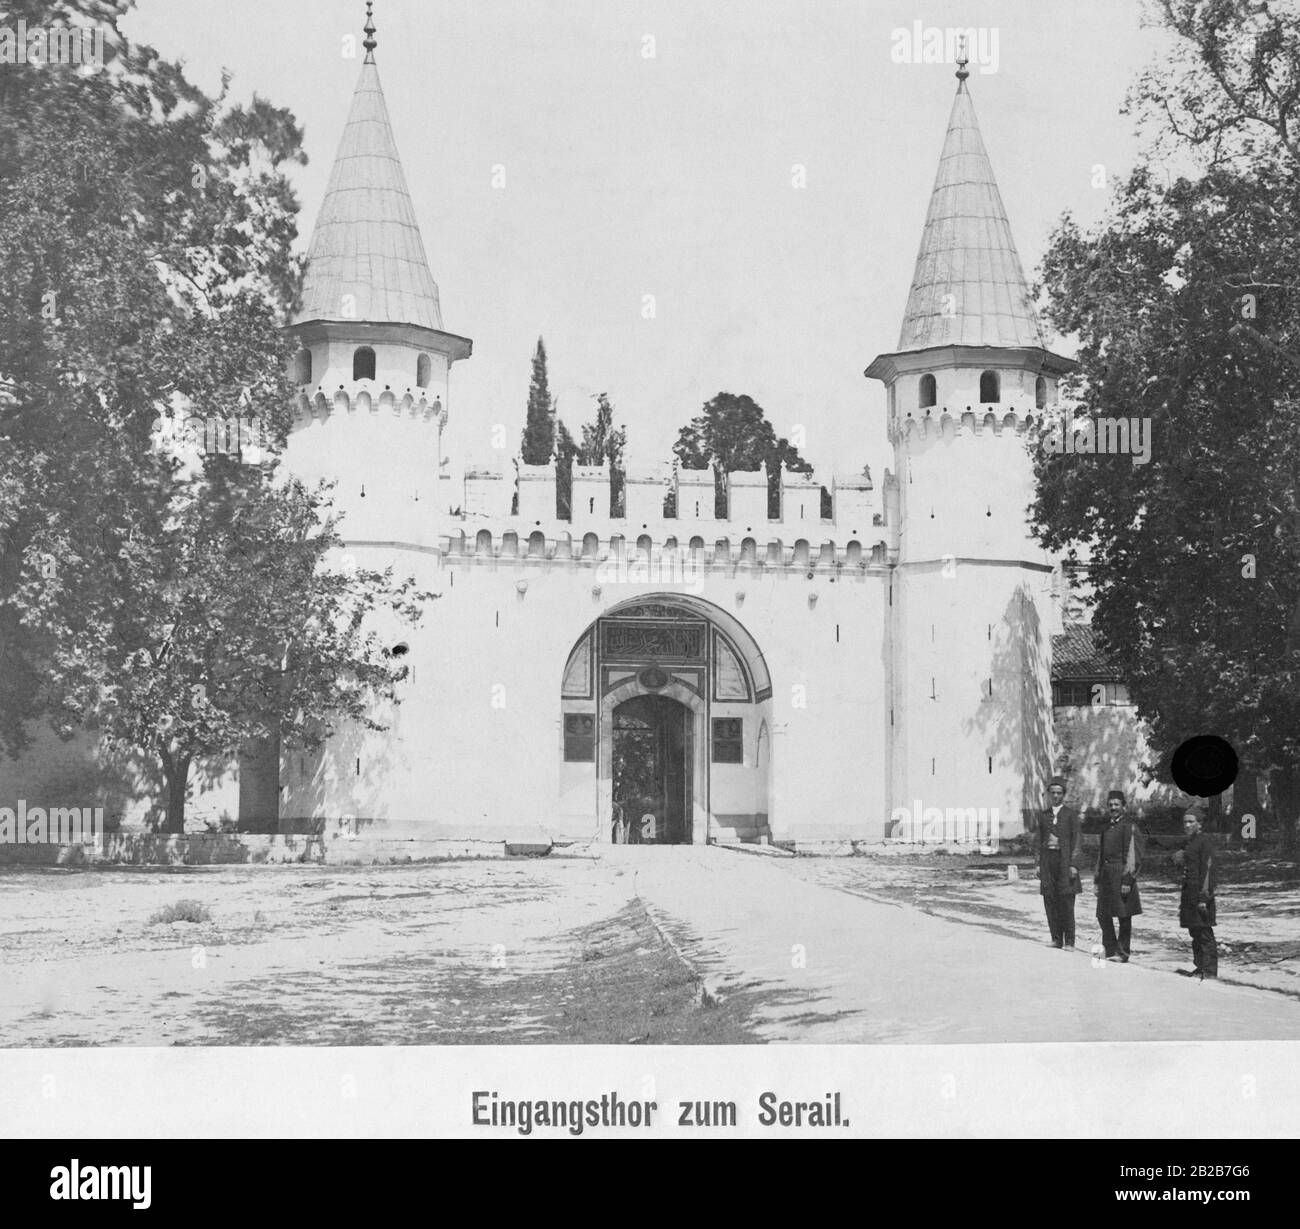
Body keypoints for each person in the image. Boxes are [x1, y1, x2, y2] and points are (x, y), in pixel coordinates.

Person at [1030, 776, 1083, 949]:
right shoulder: (1044, 815)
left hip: (1065, 860)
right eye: (1052, 793)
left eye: (1059, 793)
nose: (1055, 796)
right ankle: (1056, 938)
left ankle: (1069, 941)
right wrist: (1038, 863)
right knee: (1050, 899)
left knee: (1066, 901)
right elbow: (1038, 840)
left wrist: (1074, 864)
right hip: (1048, 861)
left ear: (1063, 795)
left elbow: (1077, 840)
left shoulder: (1070, 815)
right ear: (1048, 794)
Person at [1095, 789, 1143, 962]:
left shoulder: (1130, 827)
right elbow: (1101, 855)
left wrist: (1128, 880)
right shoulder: (1107, 827)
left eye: (1116, 804)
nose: (1113, 808)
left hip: (1121, 875)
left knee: (1124, 915)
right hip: (1106, 876)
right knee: (1102, 915)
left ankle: (1122, 953)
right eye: (1110, 805)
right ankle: (1109, 949)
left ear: (1124, 806)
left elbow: (1134, 857)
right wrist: (1097, 880)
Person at [1175, 809, 1218, 979]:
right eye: (1185, 822)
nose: (1187, 825)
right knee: (1194, 932)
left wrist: (1204, 898)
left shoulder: (1205, 842)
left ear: (1200, 823)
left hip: (1201, 894)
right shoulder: (1190, 842)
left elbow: (1208, 871)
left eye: (1191, 822)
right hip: (1189, 893)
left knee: (1204, 933)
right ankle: (1200, 967)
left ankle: (1209, 971)